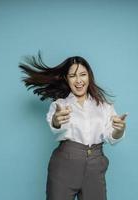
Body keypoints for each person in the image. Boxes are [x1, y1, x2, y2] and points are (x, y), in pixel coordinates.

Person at [19, 51, 128, 200]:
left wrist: (119, 130)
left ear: (89, 76)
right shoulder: (60, 105)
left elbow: (111, 136)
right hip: (64, 165)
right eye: (72, 76)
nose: (78, 80)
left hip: (95, 165)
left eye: (82, 74)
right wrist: (57, 121)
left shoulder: (104, 106)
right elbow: (55, 125)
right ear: (66, 79)